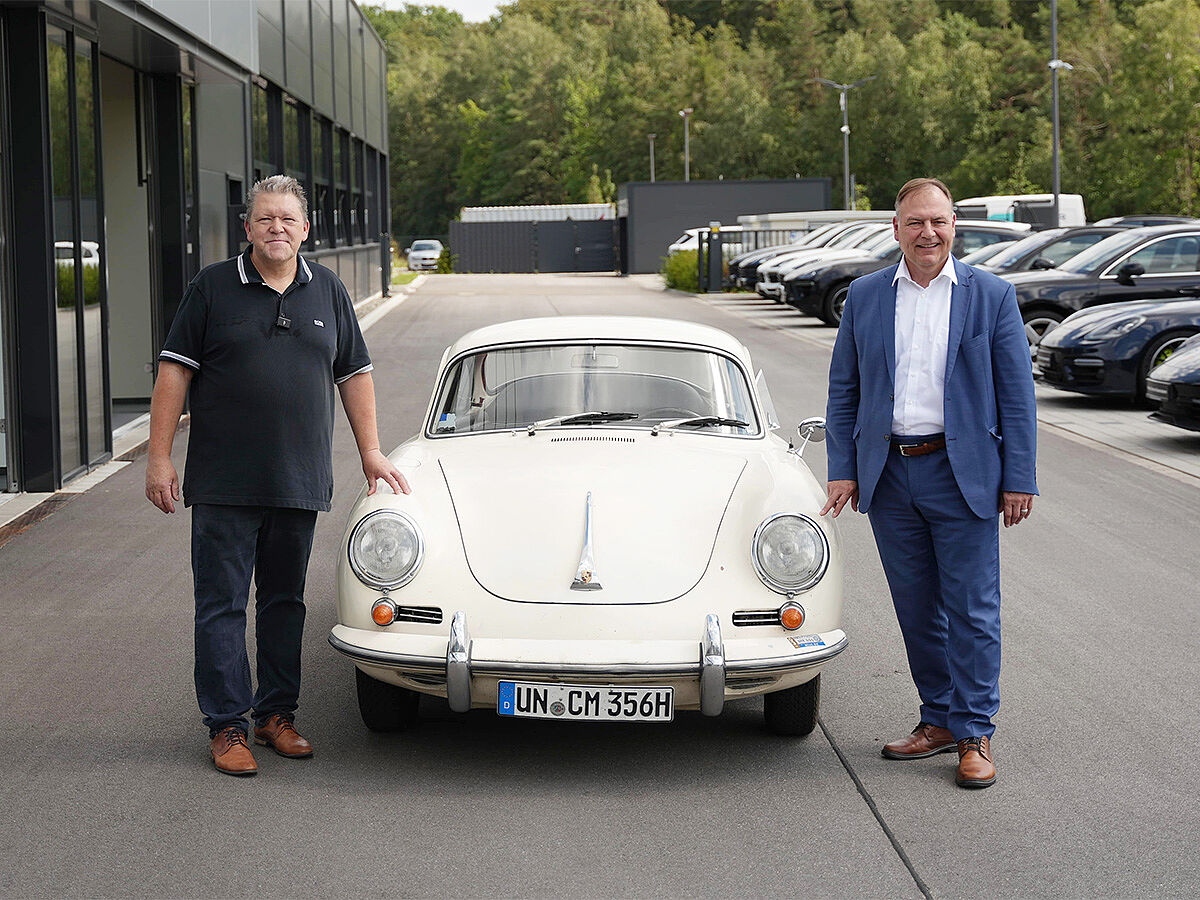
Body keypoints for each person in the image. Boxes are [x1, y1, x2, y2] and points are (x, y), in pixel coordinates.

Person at [145, 174, 409, 776]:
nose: (277, 229)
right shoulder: (212, 288)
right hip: (222, 482)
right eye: (265, 219)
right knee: (222, 606)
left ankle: (276, 716)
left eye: (288, 219)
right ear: (247, 228)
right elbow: (173, 374)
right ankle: (227, 727)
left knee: (286, 604)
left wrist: (371, 450)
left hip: (298, 480)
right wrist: (159, 458)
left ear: (306, 229)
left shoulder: (329, 292)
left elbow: (355, 374)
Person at [822, 177, 1037, 789]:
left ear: (953, 227)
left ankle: (974, 732)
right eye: (915, 222)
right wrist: (844, 467)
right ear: (896, 229)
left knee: (971, 609)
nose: (928, 233)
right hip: (889, 476)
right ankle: (937, 719)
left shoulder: (990, 295)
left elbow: (1017, 397)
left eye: (939, 221)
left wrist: (1019, 477)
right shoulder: (865, 297)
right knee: (917, 609)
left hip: (962, 473)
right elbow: (845, 390)